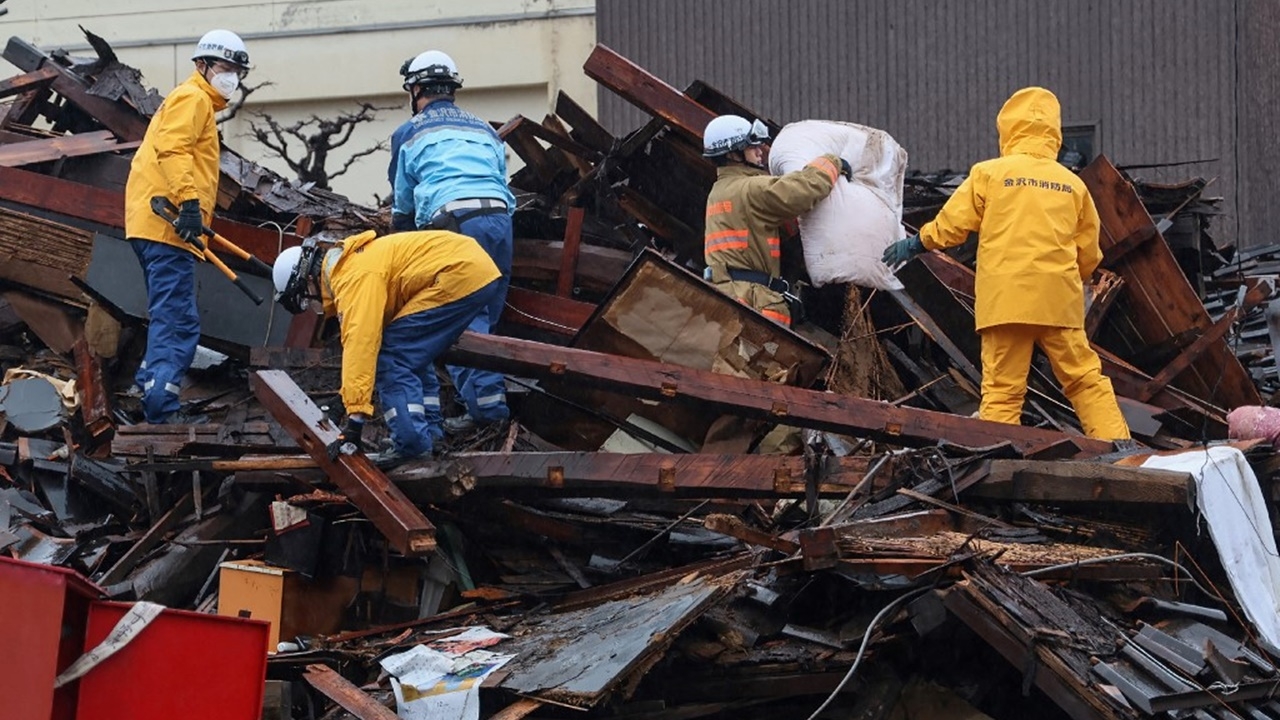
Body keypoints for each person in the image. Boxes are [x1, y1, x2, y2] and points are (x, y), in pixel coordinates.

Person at [881, 86, 1131, 443]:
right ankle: (1121, 451)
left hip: (1005, 302)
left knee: (1002, 391)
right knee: (1084, 380)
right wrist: (1071, 279)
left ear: (1008, 129)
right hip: (1058, 302)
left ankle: (1001, 459)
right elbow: (1088, 252)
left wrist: (918, 242)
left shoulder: (989, 174)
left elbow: (954, 224)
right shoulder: (1073, 185)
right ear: (1054, 133)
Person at [272, 230, 502, 465]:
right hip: (471, 267)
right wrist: (344, 399)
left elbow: (361, 345)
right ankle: (430, 434)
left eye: (306, 298)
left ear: (308, 279)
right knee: (412, 354)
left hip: (457, 272)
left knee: (392, 357)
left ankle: (411, 442)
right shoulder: (353, 265)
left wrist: (354, 422)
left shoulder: (352, 278)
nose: (313, 304)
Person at [124, 29, 250, 423]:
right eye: (226, 67)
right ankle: (162, 408)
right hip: (168, 226)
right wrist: (191, 206)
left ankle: (148, 388)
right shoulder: (192, 98)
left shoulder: (193, 102)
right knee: (178, 320)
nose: (232, 76)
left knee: (168, 314)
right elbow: (173, 150)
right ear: (202, 65)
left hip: (157, 224)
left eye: (237, 70)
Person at [389, 50, 515, 436]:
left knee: (460, 322)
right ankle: (491, 406)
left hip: (453, 224)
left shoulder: (409, 132)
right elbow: (500, 178)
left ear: (415, 89)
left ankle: (486, 414)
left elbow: (403, 203)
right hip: (500, 220)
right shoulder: (483, 129)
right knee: (488, 316)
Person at [701, 114, 851, 326]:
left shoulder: (720, 191)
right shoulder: (750, 189)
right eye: (751, 146)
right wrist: (831, 162)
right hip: (753, 302)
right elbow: (803, 190)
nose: (759, 150)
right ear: (734, 154)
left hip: (733, 294)